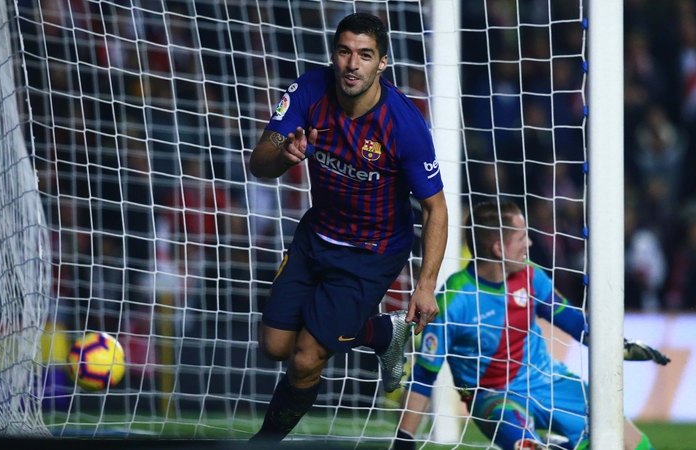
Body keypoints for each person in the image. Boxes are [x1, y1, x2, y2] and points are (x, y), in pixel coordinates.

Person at [248, 12, 449, 444]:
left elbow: (435, 208)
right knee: (275, 347)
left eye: (364, 55)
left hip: (371, 252)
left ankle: (264, 443)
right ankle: (380, 331)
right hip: (316, 236)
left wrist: (426, 284)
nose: (351, 64)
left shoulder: (405, 125)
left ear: (382, 64)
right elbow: (258, 162)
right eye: (344, 51)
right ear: (333, 55)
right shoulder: (308, 90)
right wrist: (285, 155)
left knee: (305, 358)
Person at [393, 200, 671, 450]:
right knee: (526, 447)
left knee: (634, 444)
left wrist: (621, 347)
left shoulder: (532, 277)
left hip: (546, 379)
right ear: (499, 248)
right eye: (522, 238)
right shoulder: (453, 301)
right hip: (493, 397)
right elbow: (423, 378)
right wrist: (404, 440)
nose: (530, 244)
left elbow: (576, 324)